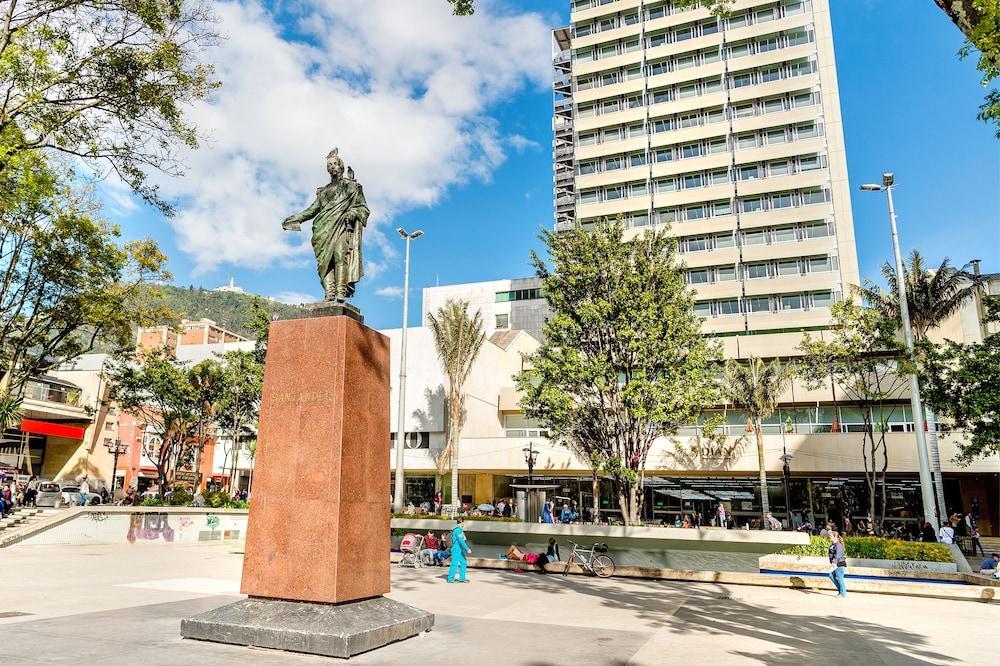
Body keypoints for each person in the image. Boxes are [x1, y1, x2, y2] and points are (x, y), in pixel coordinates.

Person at [447, 518, 472, 583]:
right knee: (454, 563)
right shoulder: (458, 530)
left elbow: (462, 540)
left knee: (463, 562)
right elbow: (461, 541)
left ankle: (462, 578)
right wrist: (467, 549)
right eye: (464, 522)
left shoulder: (459, 530)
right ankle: (450, 579)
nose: (464, 524)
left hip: (459, 548)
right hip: (456, 548)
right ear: (462, 522)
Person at [827, 532, 847, 598]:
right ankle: (841, 590)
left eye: (831, 536)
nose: (830, 537)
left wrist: (834, 562)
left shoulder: (839, 544)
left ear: (835, 537)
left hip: (839, 563)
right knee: (831, 575)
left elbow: (839, 554)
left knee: (840, 578)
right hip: (834, 563)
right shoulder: (833, 544)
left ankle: (843, 593)